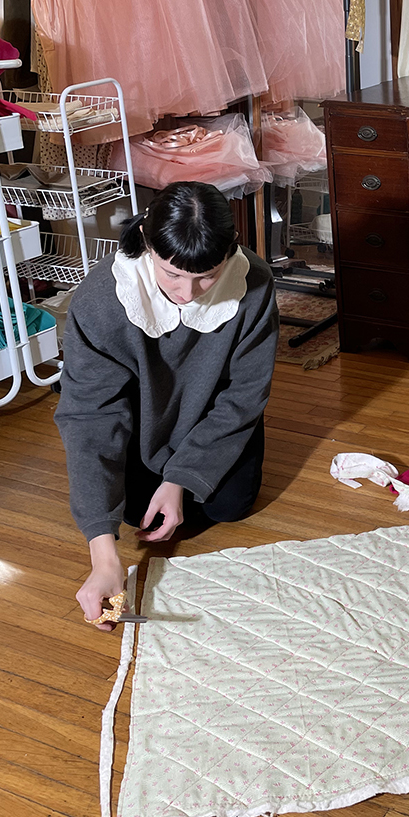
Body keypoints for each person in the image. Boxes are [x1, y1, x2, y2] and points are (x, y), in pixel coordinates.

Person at [56, 181, 278, 628]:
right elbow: (90, 418)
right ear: (144, 241)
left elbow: (244, 395)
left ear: (231, 251)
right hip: (141, 428)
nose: (187, 292)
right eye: (172, 274)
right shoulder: (101, 298)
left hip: (213, 422)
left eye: (206, 276)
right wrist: (104, 556)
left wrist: (179, 478)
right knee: (136, 514)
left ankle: (186, 477)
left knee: (228, 507)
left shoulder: (254, 282)